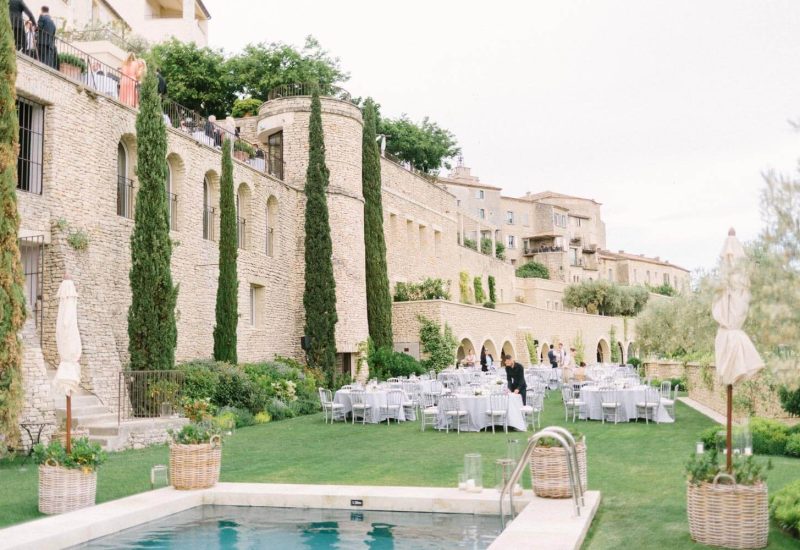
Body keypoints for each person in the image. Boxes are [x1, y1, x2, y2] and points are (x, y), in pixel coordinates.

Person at [36, 6, 58, 70]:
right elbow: (54, 32)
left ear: (42, 11)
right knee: (47, 61)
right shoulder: (52, 22)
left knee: (41, 60)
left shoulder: (42, 17)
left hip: (42, 42)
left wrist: (36, 29)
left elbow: (39, 27)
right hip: (50, 44)